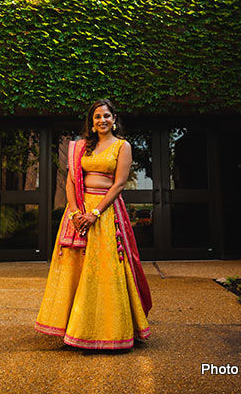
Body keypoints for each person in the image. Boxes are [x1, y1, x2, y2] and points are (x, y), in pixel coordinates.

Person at [35, 98, 152, 349]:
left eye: (107, 116)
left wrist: (95, 213)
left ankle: (110, 331)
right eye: (97, 116)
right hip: (78, 211)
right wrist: (76, 212)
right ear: (91, 121)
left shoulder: (122, 146)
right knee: (74, 269)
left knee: (105, 270)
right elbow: (71, 181)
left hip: (106, 213)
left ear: (114, 119)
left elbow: (119, 184)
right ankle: (74, 328)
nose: (102, 120)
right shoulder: (80, 147)